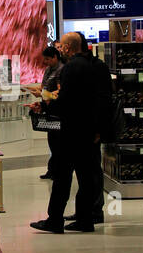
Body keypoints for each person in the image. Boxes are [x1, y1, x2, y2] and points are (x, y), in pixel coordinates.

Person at [31, 32, 111, 233]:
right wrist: (99, 128)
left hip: (71, 132)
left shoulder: (71, 68)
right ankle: (85, 219)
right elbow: (103, 99)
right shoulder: (97, 66)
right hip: (89, 132)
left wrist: (46, 105)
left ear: (67, 48)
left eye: (61, 47)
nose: (59, 49)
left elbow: (65, 101)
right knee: (86, 177)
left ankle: (55, 220)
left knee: (62, 176)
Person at [26, 45, 65, 180]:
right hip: (49, 108)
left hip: (58, 110)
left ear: (55, 57)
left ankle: (58, 170)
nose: (46, 62)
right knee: (52, 141)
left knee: (58, 143)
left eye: (48, 59)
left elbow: (59, 94)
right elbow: (44, 88)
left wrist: (44, 94)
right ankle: (52, 169)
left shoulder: (61, 70)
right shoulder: (49, 70)